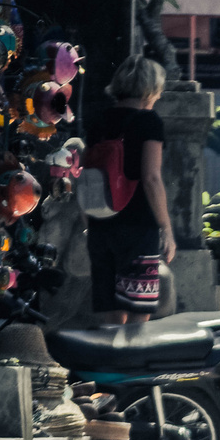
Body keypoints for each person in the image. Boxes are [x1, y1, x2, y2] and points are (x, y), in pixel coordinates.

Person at [86, 55, 176, 324]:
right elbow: (151, 178)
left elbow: (88, 174)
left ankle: (106, 364)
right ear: (149, 89)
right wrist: (167, 229)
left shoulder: (98, 121)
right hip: (137, 227)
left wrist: (87, 223)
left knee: (109, 313)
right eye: (158, 90)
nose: (158, 97)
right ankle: (129, 365)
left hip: (100, 225)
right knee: (139, 312)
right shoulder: (149, 123)